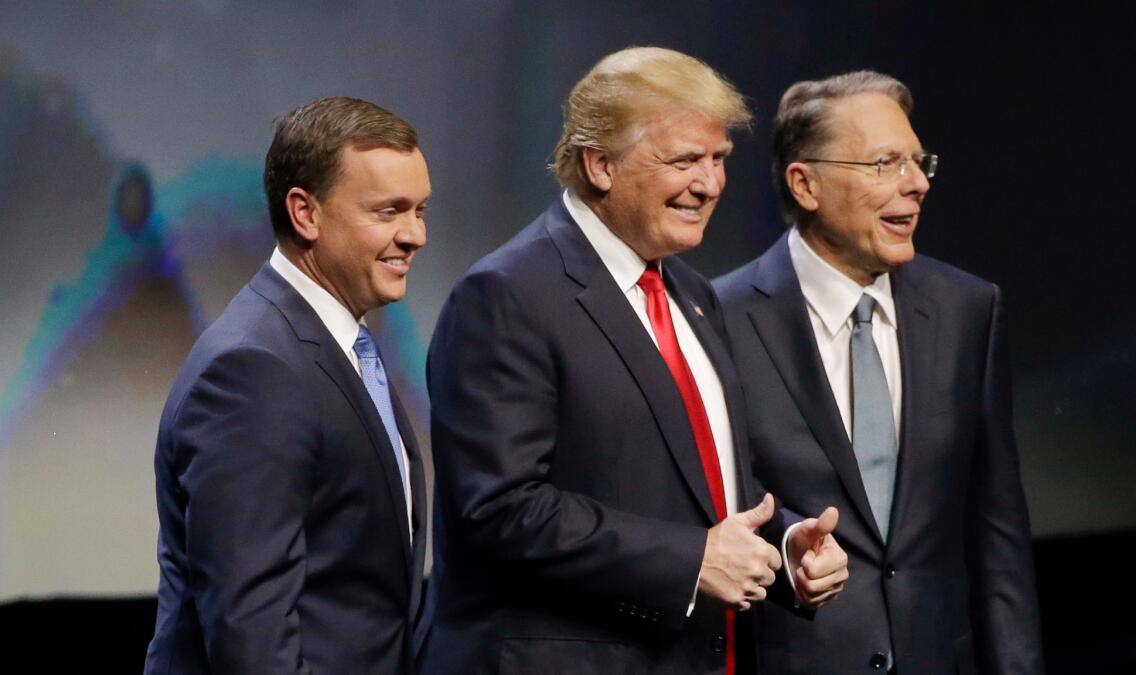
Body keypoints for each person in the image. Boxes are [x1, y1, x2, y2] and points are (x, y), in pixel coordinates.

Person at [423, 47, 849, 675]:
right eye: (685, 160)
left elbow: (703, 487)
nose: (709, 184)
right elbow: (501, 508)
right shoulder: (506, 295)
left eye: (719, 159)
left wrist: (785, 547)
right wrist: (690, 561)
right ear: (599, 165)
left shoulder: (694, 294)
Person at [714, 71, 1044, 674]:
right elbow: (713, 512)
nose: (916, 184)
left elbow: (996, 528)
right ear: (805, 183)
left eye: (919, 162)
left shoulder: (967, 308)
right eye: (885, 163)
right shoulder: (720, 320)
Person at [144, 97, 433, 674]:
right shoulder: (254, 370)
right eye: (388, 211)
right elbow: (252, 634)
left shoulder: (335, 348)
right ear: (305, 213)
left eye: (421, 210)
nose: (415, 235)